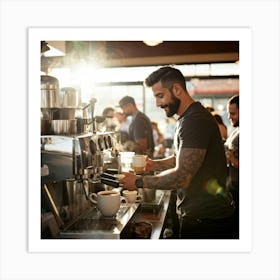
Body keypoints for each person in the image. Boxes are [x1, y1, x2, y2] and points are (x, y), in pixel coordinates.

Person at [119, 66, 236, 239]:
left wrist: (138, 181)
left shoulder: (194, 121)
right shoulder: (189, 118)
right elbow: (185, 159)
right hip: (205, 215)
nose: (158, 103)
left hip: (206, 220)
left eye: (160, 96)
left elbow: (182, 176)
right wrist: (154, 164)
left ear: (177, 89)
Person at [224, 95, 239, 234]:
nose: (230, 117)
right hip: (232, 187)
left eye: (233, 113)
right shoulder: (236, 131)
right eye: (229, 114)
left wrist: (232, 158)